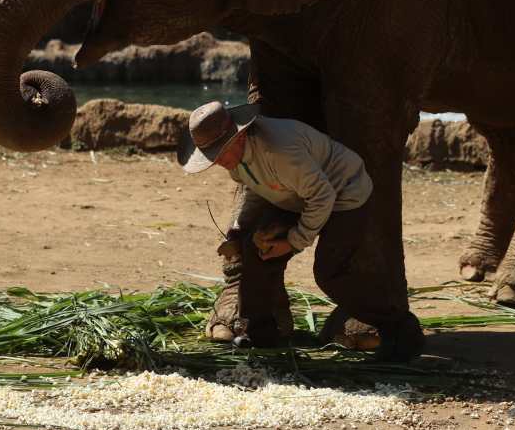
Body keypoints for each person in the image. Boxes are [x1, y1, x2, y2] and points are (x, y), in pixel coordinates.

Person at [177, 101, 424, 361]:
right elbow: (255, 189)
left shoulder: (281, 152)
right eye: (212, 155)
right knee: (254, 248)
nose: (218, 161)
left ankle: (402, 329)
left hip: (343, 196)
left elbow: (323, 196)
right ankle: (260, 335)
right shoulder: (235, 160)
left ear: (239, 136)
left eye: (220, 152)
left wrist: (293, 241)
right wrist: (239, 230)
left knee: (331, 273)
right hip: (295, 195)